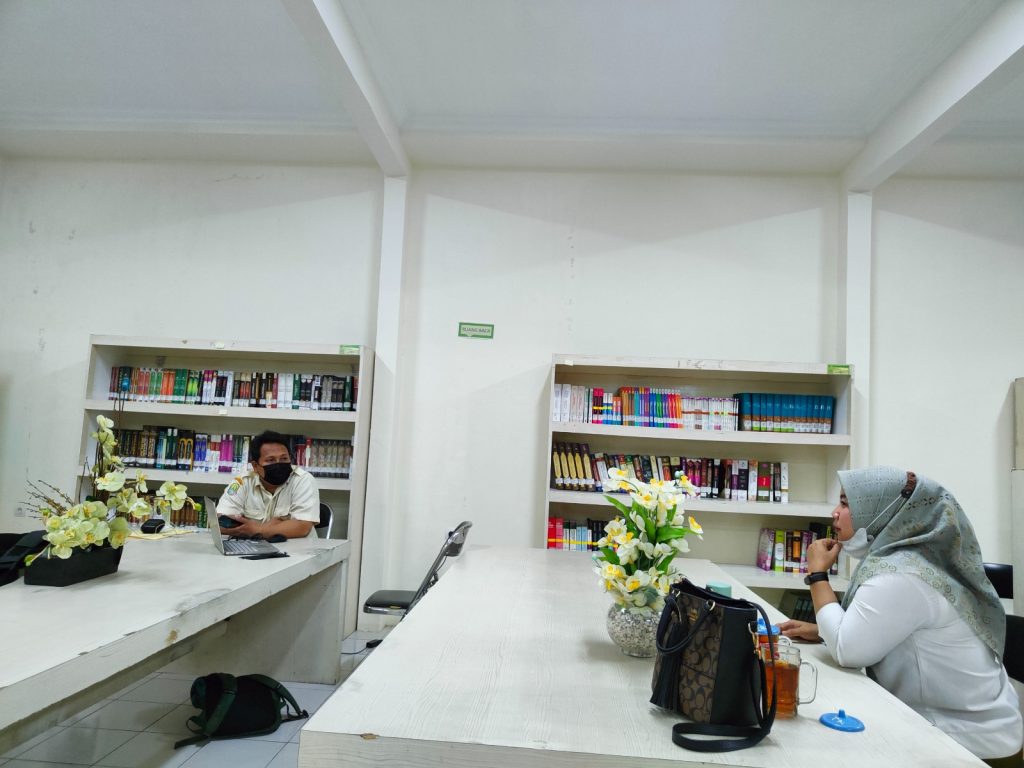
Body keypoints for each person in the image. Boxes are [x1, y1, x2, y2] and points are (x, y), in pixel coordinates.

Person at [778, 466, 1022, 767]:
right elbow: (883, 630)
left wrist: (817, 574)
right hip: (975, 733)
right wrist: (823, 630)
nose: (835, 513)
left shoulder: (902, 574)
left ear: (882, 511)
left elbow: (847, 650)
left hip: (968, 748)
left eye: (845, 503)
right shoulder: (915, 559)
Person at [216, 430, 320, 540]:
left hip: (299, 549)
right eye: (271, 460)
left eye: (284, 458)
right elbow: (220, 523)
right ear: (255, 466)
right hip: (253, 548)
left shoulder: (303, 480)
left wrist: (259, 530)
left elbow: (303, 527)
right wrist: (276, 527)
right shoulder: (242, 482)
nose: (278, 464)